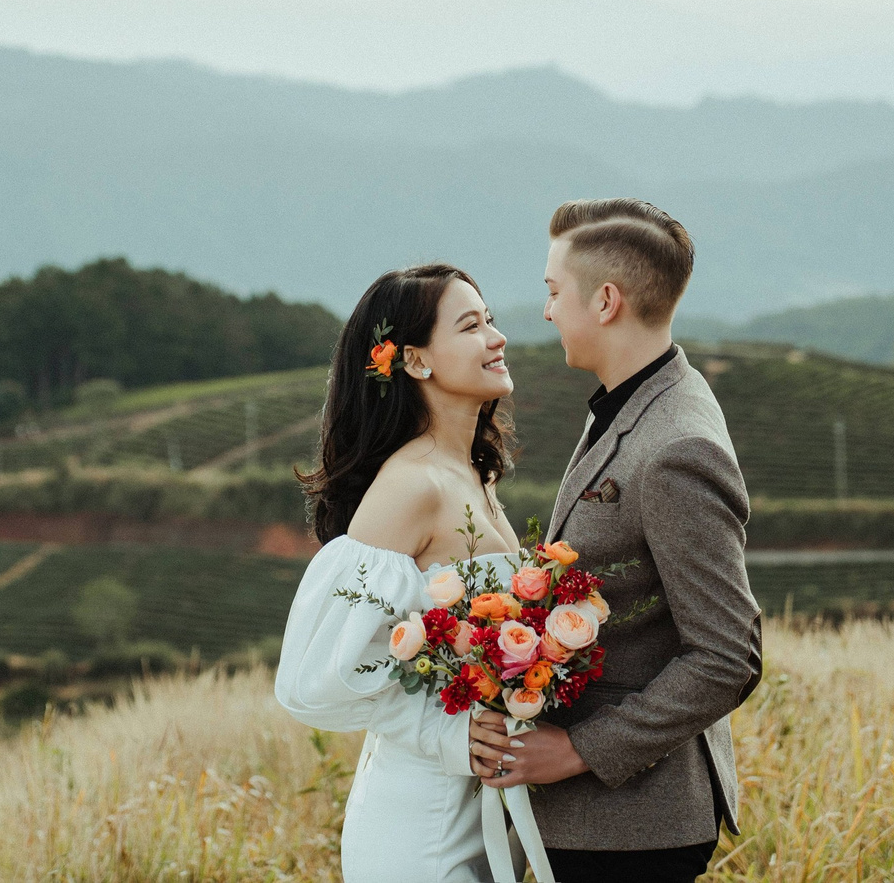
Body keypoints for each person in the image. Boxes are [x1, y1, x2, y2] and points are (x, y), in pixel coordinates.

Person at [472, 198, 763, 883]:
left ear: (605, 300)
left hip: (633, 830)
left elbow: (728, 655)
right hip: (595, 823)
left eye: (552, 292)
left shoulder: (676, 447)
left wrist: (577, 751)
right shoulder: (635, 398)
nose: (545, 312)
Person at [277, 262, 522, 883]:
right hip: (421, 820)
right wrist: (442, 730)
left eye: (490, 320)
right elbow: (311, 679)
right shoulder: (411, 485)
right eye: (471, 326)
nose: (496, 337)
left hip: (487, 805)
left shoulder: (475, 476)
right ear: (415, 361)